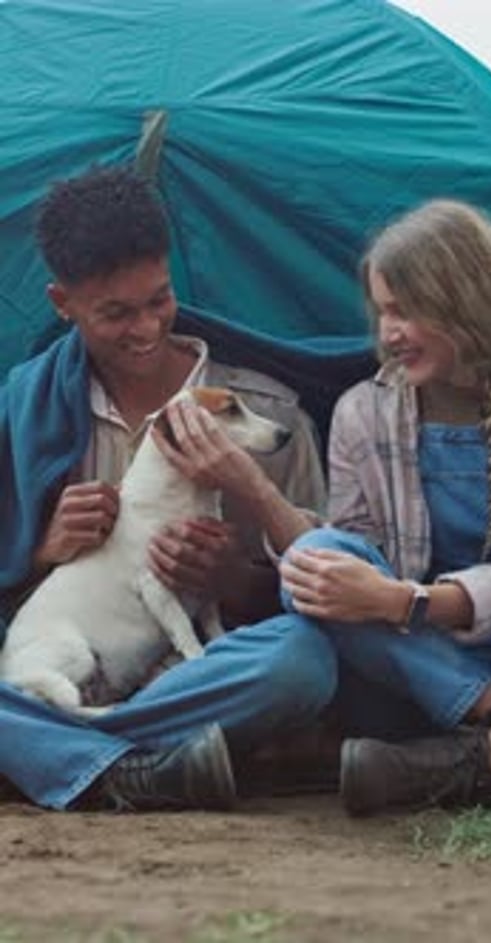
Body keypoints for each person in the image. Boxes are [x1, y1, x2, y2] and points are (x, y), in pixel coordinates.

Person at [0, 164, 334, 812]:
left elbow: (332, 584)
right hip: (64, 660)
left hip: (201, 670)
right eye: (115, 313)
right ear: (62, 304)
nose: (147, 328)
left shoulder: (271, 415)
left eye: (159, 299)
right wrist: (39, 550)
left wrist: (233, 576)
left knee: (304, 660)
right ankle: (133, 767)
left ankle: (58, 754)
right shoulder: (23, 414)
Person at [279, 199, 491, 815]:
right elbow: (356, 561)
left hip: (422, 621)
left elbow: (390, 599)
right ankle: (486, 714)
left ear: (462, 302)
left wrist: (409, 601)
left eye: (405, 311)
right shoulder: (361, 412)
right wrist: (378, 597)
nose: (387, 334)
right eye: (381, 312)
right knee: (312, 559)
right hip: (419, 668)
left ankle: (442, 767)